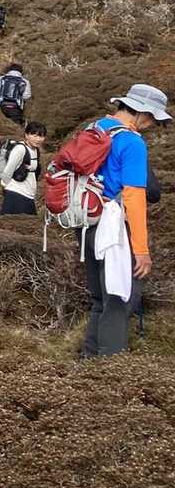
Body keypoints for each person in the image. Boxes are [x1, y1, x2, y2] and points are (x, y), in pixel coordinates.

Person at [80, 84, 170, 357]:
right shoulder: (132, 142)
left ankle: (88, 363)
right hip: (116, 228)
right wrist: (141, 250)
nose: (152, 124)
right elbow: (134, 197)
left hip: (87, 223)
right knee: (120, 298)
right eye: (152, 117)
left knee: (100, 299)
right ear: (140, 112)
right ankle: (110, 366)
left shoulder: (95, 128)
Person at [0, 121, 48, 215]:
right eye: (34, 135)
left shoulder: (36, 150)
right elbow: (8, 170)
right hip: (16, 194)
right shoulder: (20, 149)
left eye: (41, 136)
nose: (38, 139)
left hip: (29, 195)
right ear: (26, 135)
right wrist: (6, 188)